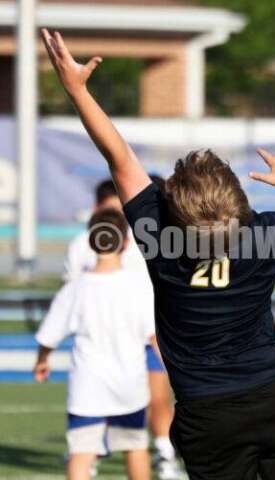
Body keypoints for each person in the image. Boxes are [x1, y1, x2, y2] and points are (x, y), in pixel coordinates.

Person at [42, 29, 275, 479]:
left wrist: (77, 90)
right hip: (273, 397)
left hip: (205, 410)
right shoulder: (263, 235)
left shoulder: (158, 237)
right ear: (238, 201)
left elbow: (117, 156)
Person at [63, 176, 182, 478]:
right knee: (99, 400)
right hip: (106, 339)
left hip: (145, 330)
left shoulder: (142, 240)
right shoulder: (81, 246)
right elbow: (74, 292)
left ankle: (165, 452)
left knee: (156, 397)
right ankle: (90, 454)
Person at [34, 209, 155, 480]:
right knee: (135, 448)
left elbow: (49, 333)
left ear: (90, 242)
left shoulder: (77, 287)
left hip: (87, 388)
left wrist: (42, 360)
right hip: (129, 385)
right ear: (125, 242)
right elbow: (155, 336)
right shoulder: (140, 286)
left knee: (82, 453)